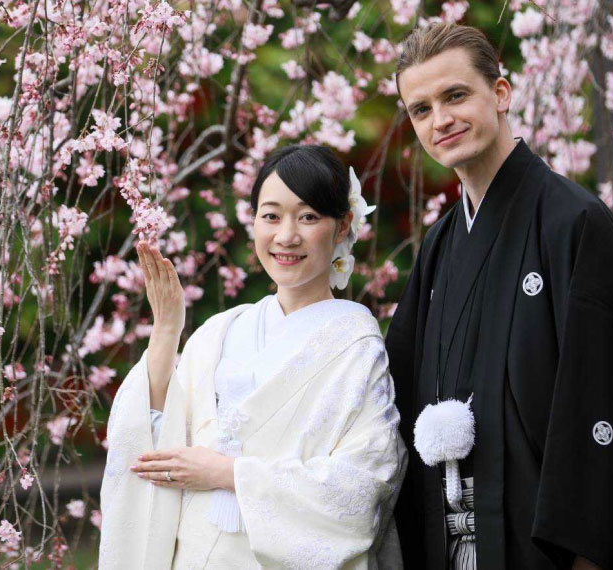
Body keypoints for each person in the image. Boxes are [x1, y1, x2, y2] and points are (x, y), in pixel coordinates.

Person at [385, 22, 613, 569]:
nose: (442, 120)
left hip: (544, 551)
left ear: (501, 93)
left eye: (455, 95)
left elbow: (605, 402)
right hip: (447, 547)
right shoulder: (438, 246)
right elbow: (396, 391)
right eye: (421, 109)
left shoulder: (572, 222)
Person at [99, 145, 406, 569]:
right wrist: (167, 330)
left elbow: (362, 485)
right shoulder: (221, 332)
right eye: (271, 215)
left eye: (309, 216)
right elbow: (152, 445)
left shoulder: (355, 344)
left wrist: (229, 474)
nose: (286, 236)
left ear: (342, 227)